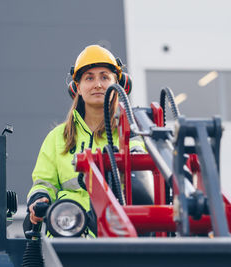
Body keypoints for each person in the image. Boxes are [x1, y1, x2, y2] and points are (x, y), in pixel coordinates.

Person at [26, 45, 144, 236]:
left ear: (119, 84)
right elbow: (43, 183)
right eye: (89, 77)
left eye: (105, 77)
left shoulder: (133, 134)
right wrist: (39, 199)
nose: (98, 84)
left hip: (120, 238)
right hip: (68, 238)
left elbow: (143, 171)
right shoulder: (57, 137)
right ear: (77, 88)